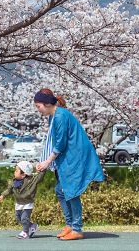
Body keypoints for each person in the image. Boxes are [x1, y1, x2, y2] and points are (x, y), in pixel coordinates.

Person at [34, 88, 104, 241]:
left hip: (76, 156)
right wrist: (45, 159)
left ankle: (76, 228)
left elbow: (60, 143)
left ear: (46, 104)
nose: (38, 109)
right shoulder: (54, 116)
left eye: (38, 106)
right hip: (69, 156)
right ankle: (70, 225)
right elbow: (53, 141)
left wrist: (47, 161)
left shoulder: (60, 116)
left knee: (71, 192)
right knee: (61, 190)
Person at [0, 160, 46, 239]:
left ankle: (25, 232)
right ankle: (32, 225)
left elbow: (40, 177)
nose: (14, 172)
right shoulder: (13, 182)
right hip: (19, 203)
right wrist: (3, 195)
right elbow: (9, 190)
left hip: (28, 203)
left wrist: (43, 169)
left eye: (16, 171)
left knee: (24, 218)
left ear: (23, 175)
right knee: (18, 218)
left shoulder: (31, 181)